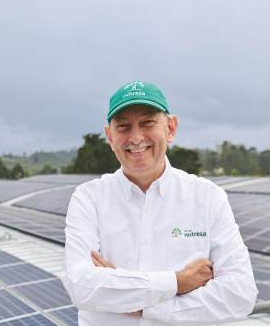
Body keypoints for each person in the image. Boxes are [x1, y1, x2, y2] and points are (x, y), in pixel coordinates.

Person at [61, 81, 258, 325]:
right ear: (110, 136)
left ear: (170, 128)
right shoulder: (88, 198)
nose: (135, 137)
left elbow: (239, 295)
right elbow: (81, 286)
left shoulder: (208, 198)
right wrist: (178, 282)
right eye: (123, 126)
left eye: (147, 123)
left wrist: (140, 305)